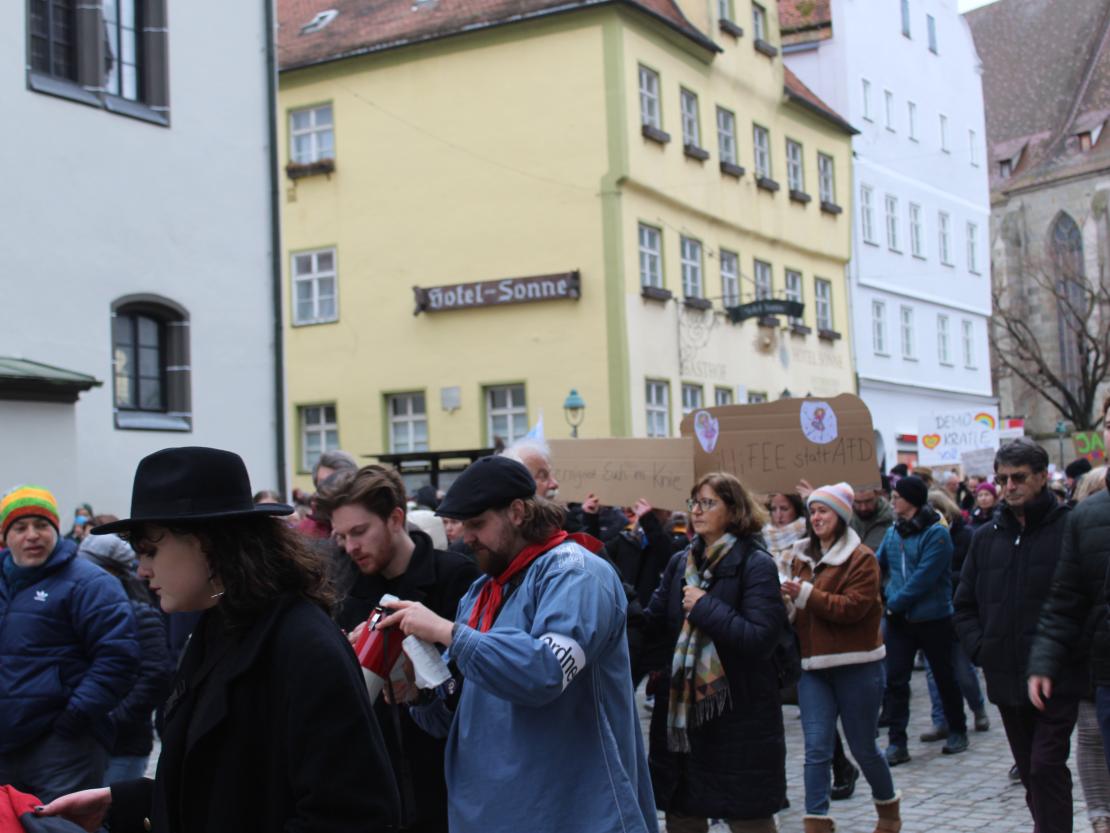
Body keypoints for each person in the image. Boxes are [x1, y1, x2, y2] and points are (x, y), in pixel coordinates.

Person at [37, 447, 400, 833]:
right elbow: (230, 785)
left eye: (151, 551)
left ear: (207, 543)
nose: (142, 569)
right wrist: (130, 803)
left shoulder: (301, 642)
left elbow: (350, 813)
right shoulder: (222, 623)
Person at [379, 455, 656, 833]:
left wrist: (448, 632)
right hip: (493, 813)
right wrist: (417, 689)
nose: (466, 537)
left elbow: (545, 673)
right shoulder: (482, 591)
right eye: (463, 525)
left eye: (477, 524)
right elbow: (460, 716)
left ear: (518, 512)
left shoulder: (577, 574)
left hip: (574, 814)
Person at [318, 465, 479, 833]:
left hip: (446, 784)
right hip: (377, 786)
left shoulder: (456, 577)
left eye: (359, 531)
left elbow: (477, 686)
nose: (350, 547)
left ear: (394, 519)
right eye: (341, 536)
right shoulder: (343, 591)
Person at [646, 472, 787, 832]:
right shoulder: (681, 562)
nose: (696, 510)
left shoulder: (756, 564)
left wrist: (705, 607)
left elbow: (760, 639)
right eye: (694, 502)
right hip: (684, 715)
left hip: (739, 717)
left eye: (708, 502)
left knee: (748, 816)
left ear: (734, 509)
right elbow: (654, 625)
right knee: (684, 813)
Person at [955, 440, 1075, 833]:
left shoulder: (1068, 529)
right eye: (1002, 478)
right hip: (1005, 675)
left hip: (1057, 677)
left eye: (1018, 477)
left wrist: (1067, 654)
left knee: (1045, 766)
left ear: (1041, 477)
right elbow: (964, 604)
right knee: (1030, 773)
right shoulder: (986, 537)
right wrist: (982, 649)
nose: (1009, 486)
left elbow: (1083, 600)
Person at [0, 486, 138, 802]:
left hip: (63, 747)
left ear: (55, 529)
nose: (32, 535)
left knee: (61, 823)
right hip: (5, 746)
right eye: (20, 528)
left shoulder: (91, 583)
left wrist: (74, 718)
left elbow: (118, 656)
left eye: (41, 525)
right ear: (5, 536)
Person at [782, 483, 899, 833]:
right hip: (813, 668)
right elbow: (798, 612)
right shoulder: (799, 555)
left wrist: (805, 595)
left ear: (840, 516)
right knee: (816, 749)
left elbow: (853, 608)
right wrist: (786, 601)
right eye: (813, 511)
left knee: (864, 748)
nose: (816, 517)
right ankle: (817, 823)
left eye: (824, 511)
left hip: (858, 665)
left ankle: (889, 813)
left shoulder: (861, 557)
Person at [1029, 464, 1110, 833]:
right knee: (1092, 740)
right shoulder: (1088, 517)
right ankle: (1100, 814)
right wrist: (1045, 660)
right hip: (1101, 666)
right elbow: (1065, 598)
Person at [876, 475, 969, 764]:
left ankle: (957, 729)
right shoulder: (894, 532)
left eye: (897, 497)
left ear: (912, 500)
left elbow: (924, 578)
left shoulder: (936, 534)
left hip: (933, 618)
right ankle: (897, 742)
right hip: (899, 621)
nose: (893, 501)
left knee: (944, 676)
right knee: (896, 681)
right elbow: (877, 563)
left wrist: (893, 603)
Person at [77, 533, 174, 783]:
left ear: (113, 572)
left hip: (124, 745)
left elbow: (155, 676)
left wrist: (112, 719)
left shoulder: (141, 615)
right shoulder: (80, 612)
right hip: (84, 743)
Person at [918, 490, 990, 742]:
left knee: (962, 670)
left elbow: (972, 574)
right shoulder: (921, 535)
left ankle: (978, 708)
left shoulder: (965, 535)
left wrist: (942, 576)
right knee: (932, 673)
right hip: (931, 612)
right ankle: (940, 720)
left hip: (957, 609)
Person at [850, 485, 895, 554]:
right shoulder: (843, 518)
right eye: (858, 502)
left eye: (868, 501)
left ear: (878, 495)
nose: (863, 508)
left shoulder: (889, 518)